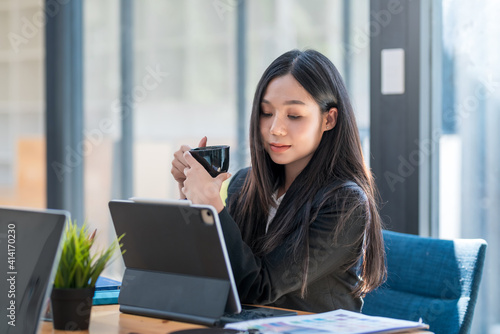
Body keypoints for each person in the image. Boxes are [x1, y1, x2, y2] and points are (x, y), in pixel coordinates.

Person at [170, 49, 386, 313]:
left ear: (328, 119)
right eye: (266, 113)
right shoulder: (244, 183)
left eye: (293, 116)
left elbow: (258, 288)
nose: (275, 129)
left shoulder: (344, 202)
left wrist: (212, 207)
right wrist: (191, 198)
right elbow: (211, 272)